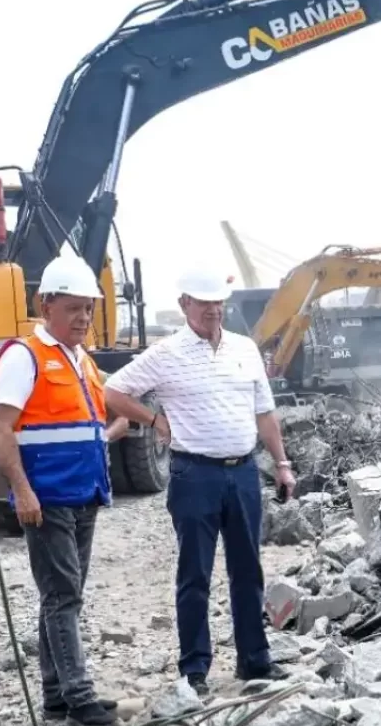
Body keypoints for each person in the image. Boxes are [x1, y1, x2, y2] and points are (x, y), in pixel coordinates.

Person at [102, 268, 292, 696]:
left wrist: (282, 463)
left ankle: (254, 661)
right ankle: (194, 670)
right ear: (185, 303)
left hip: (243, 471)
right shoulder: (166, 353)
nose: (213, 310)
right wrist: (154, 419)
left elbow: (264, 412)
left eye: (218, 302)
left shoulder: (244, 348)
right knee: (195, 574)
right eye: (204, 302)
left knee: (248, 569)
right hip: (195, 475)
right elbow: (113, 391)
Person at [0, 251, 132, 726]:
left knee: (60, 595)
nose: (83, 317)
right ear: (44, 304)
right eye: (73, 308)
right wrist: (23, 491)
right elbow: (1, 429)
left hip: (84, 494)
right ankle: (79, 697)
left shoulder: (80, 359)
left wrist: (112, 432)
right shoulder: (24, 356)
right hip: (47, 498)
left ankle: (56, 695)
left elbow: (91, 419)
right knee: (64, 595)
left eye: (88, 308)